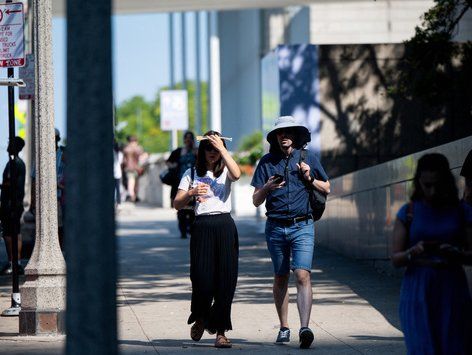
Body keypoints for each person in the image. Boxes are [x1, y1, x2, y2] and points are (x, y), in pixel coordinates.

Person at [251, 116, 330, 349]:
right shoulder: (266, 162)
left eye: (288, 132)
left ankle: (304, 327)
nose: (283, 136)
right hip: (275, 226)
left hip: (302, 225)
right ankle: (284, 327)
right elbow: (255, 200)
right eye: (279, 133)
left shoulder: (308, 158)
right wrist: (266, 187)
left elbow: (327, 187)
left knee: (302, 274)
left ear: (295, 135)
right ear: (275, 137)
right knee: (281, 275)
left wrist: (309, 177)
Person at [391, 153, 472, 354]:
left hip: (451, 288)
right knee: (422, 348)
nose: (432, 191)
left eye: (438, 184)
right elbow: (396, 258)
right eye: (427, 185)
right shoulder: (408, 211)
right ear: (419, 182)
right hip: (418, 289)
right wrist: (413, 251)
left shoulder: (462, 211)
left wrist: (455, 253)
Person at [174, 131, 241, 348]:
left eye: (216, 148)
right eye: (208, 148)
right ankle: (201, 315)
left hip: (224, 225)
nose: (212, 152)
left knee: (226, 281)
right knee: (201, 279)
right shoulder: (191, 172)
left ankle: (221, 331)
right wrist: (191, 192)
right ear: (201, 151)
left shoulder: (226, 172)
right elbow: (177, 203)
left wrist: (222, 148)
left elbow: (238, 174)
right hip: (202, 226)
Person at [0, 137, 26, 275]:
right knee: (11, 233)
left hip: (12, 204)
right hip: (10, 203)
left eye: (10, 143)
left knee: (12, 233)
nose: (8, 145)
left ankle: (14, 263)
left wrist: (2, 186)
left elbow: (12, 184)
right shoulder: (13, 163)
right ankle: (14, 262)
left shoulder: (16, 164)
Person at [166, 131, 197, 238]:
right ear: (183, 140)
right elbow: (169, 162)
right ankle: (183, 231)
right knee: (181, 209)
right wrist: (173, 165)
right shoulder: (178, 151)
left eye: (190, 138)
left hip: (194, 183)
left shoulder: (197, 151)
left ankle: (192, 229)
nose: (188, 140)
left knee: (193, 209)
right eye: (186, 138)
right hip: (179, 183)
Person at [122, 135, 146, 202]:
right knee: (135, 183)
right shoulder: (138, 148)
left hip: (128, 168)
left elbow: (124, 161)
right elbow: (143, 156)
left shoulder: (126, 149)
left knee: (131, 183)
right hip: (137, 168)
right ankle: (134, 196)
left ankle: (132, 196)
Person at [113, 140, 124, 207]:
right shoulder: (120, 154)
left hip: (113, 173)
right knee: (117, 188)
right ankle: (118, 202)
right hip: (118, 173)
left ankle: (115, 201)